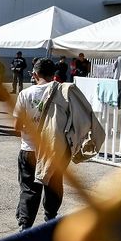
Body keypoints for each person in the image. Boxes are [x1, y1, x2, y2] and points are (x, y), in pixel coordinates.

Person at [12, 58, 99, 230]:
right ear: (54, 75)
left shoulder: (25, 94)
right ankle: (50, 220)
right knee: (53, 186)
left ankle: (24, 226)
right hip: (54, 150)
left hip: (29, 149)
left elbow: (16, 126)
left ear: (34, 74)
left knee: (29, 189)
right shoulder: (63, 93)